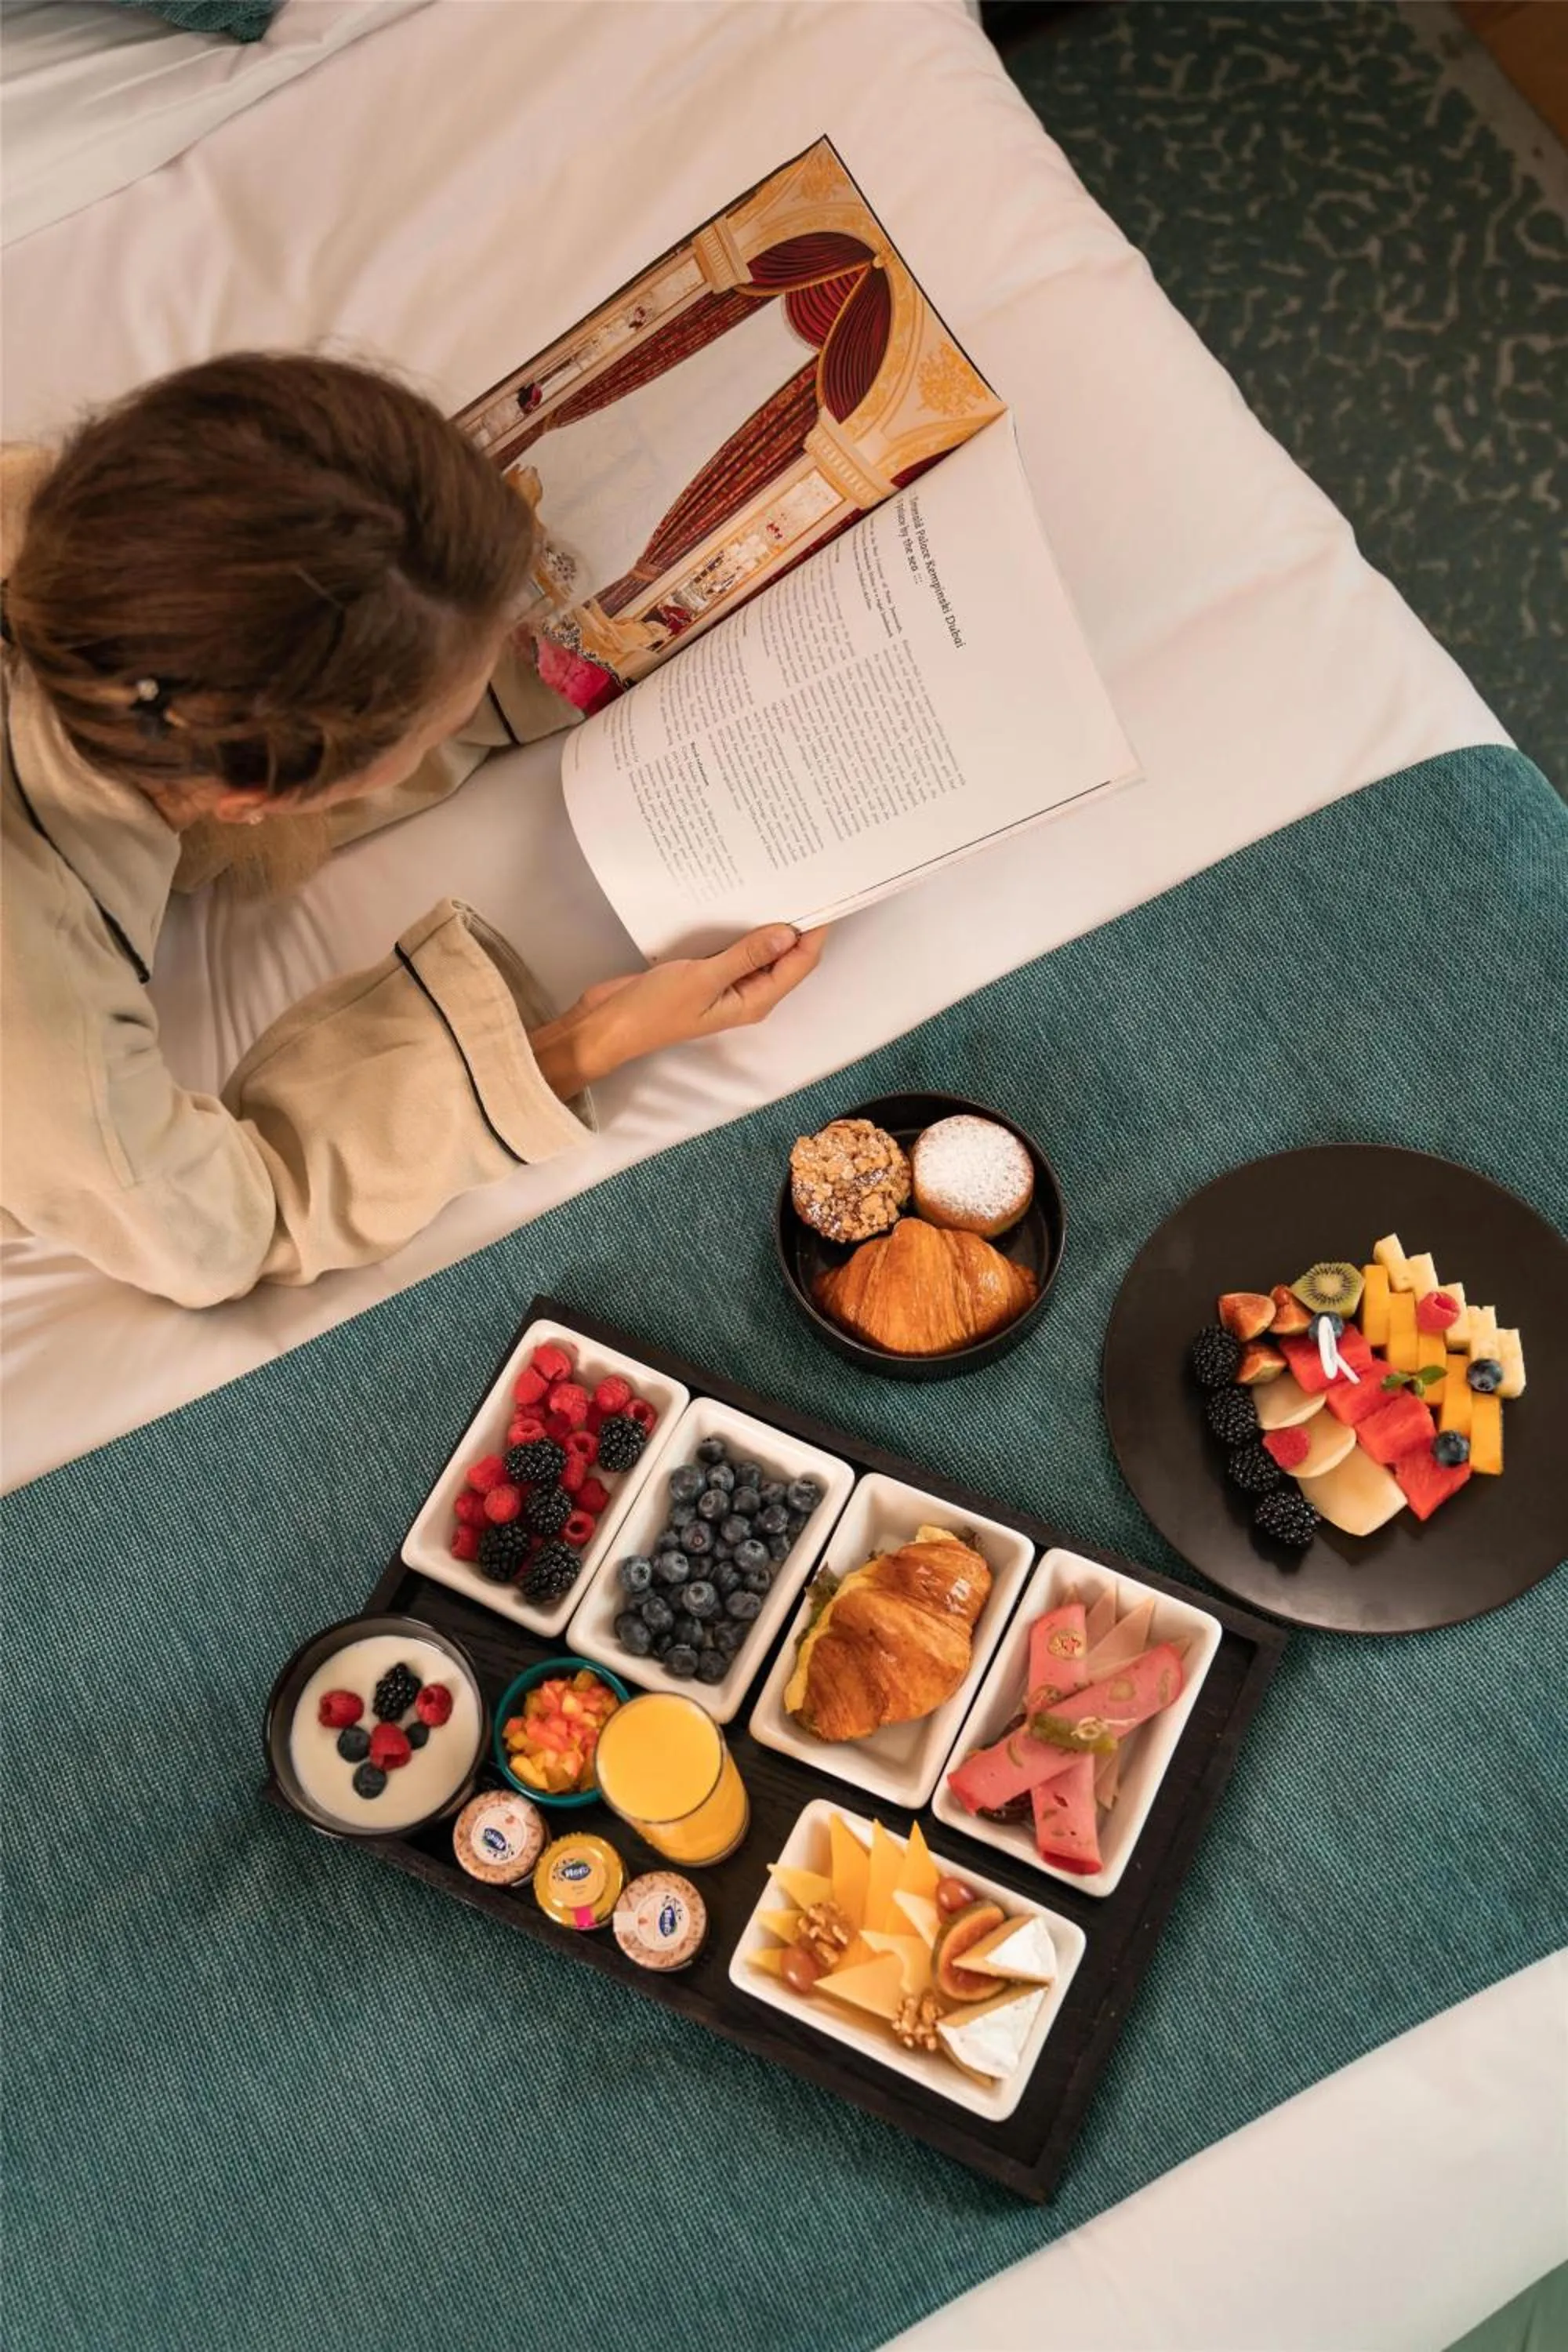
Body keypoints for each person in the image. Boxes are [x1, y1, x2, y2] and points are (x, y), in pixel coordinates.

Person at [0, 354, 824, 1307]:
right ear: (251, 795)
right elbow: (223, 1231)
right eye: (447, 702)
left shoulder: (70, 517)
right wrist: (577, 1045)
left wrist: (601, 644)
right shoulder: (47, 1043)